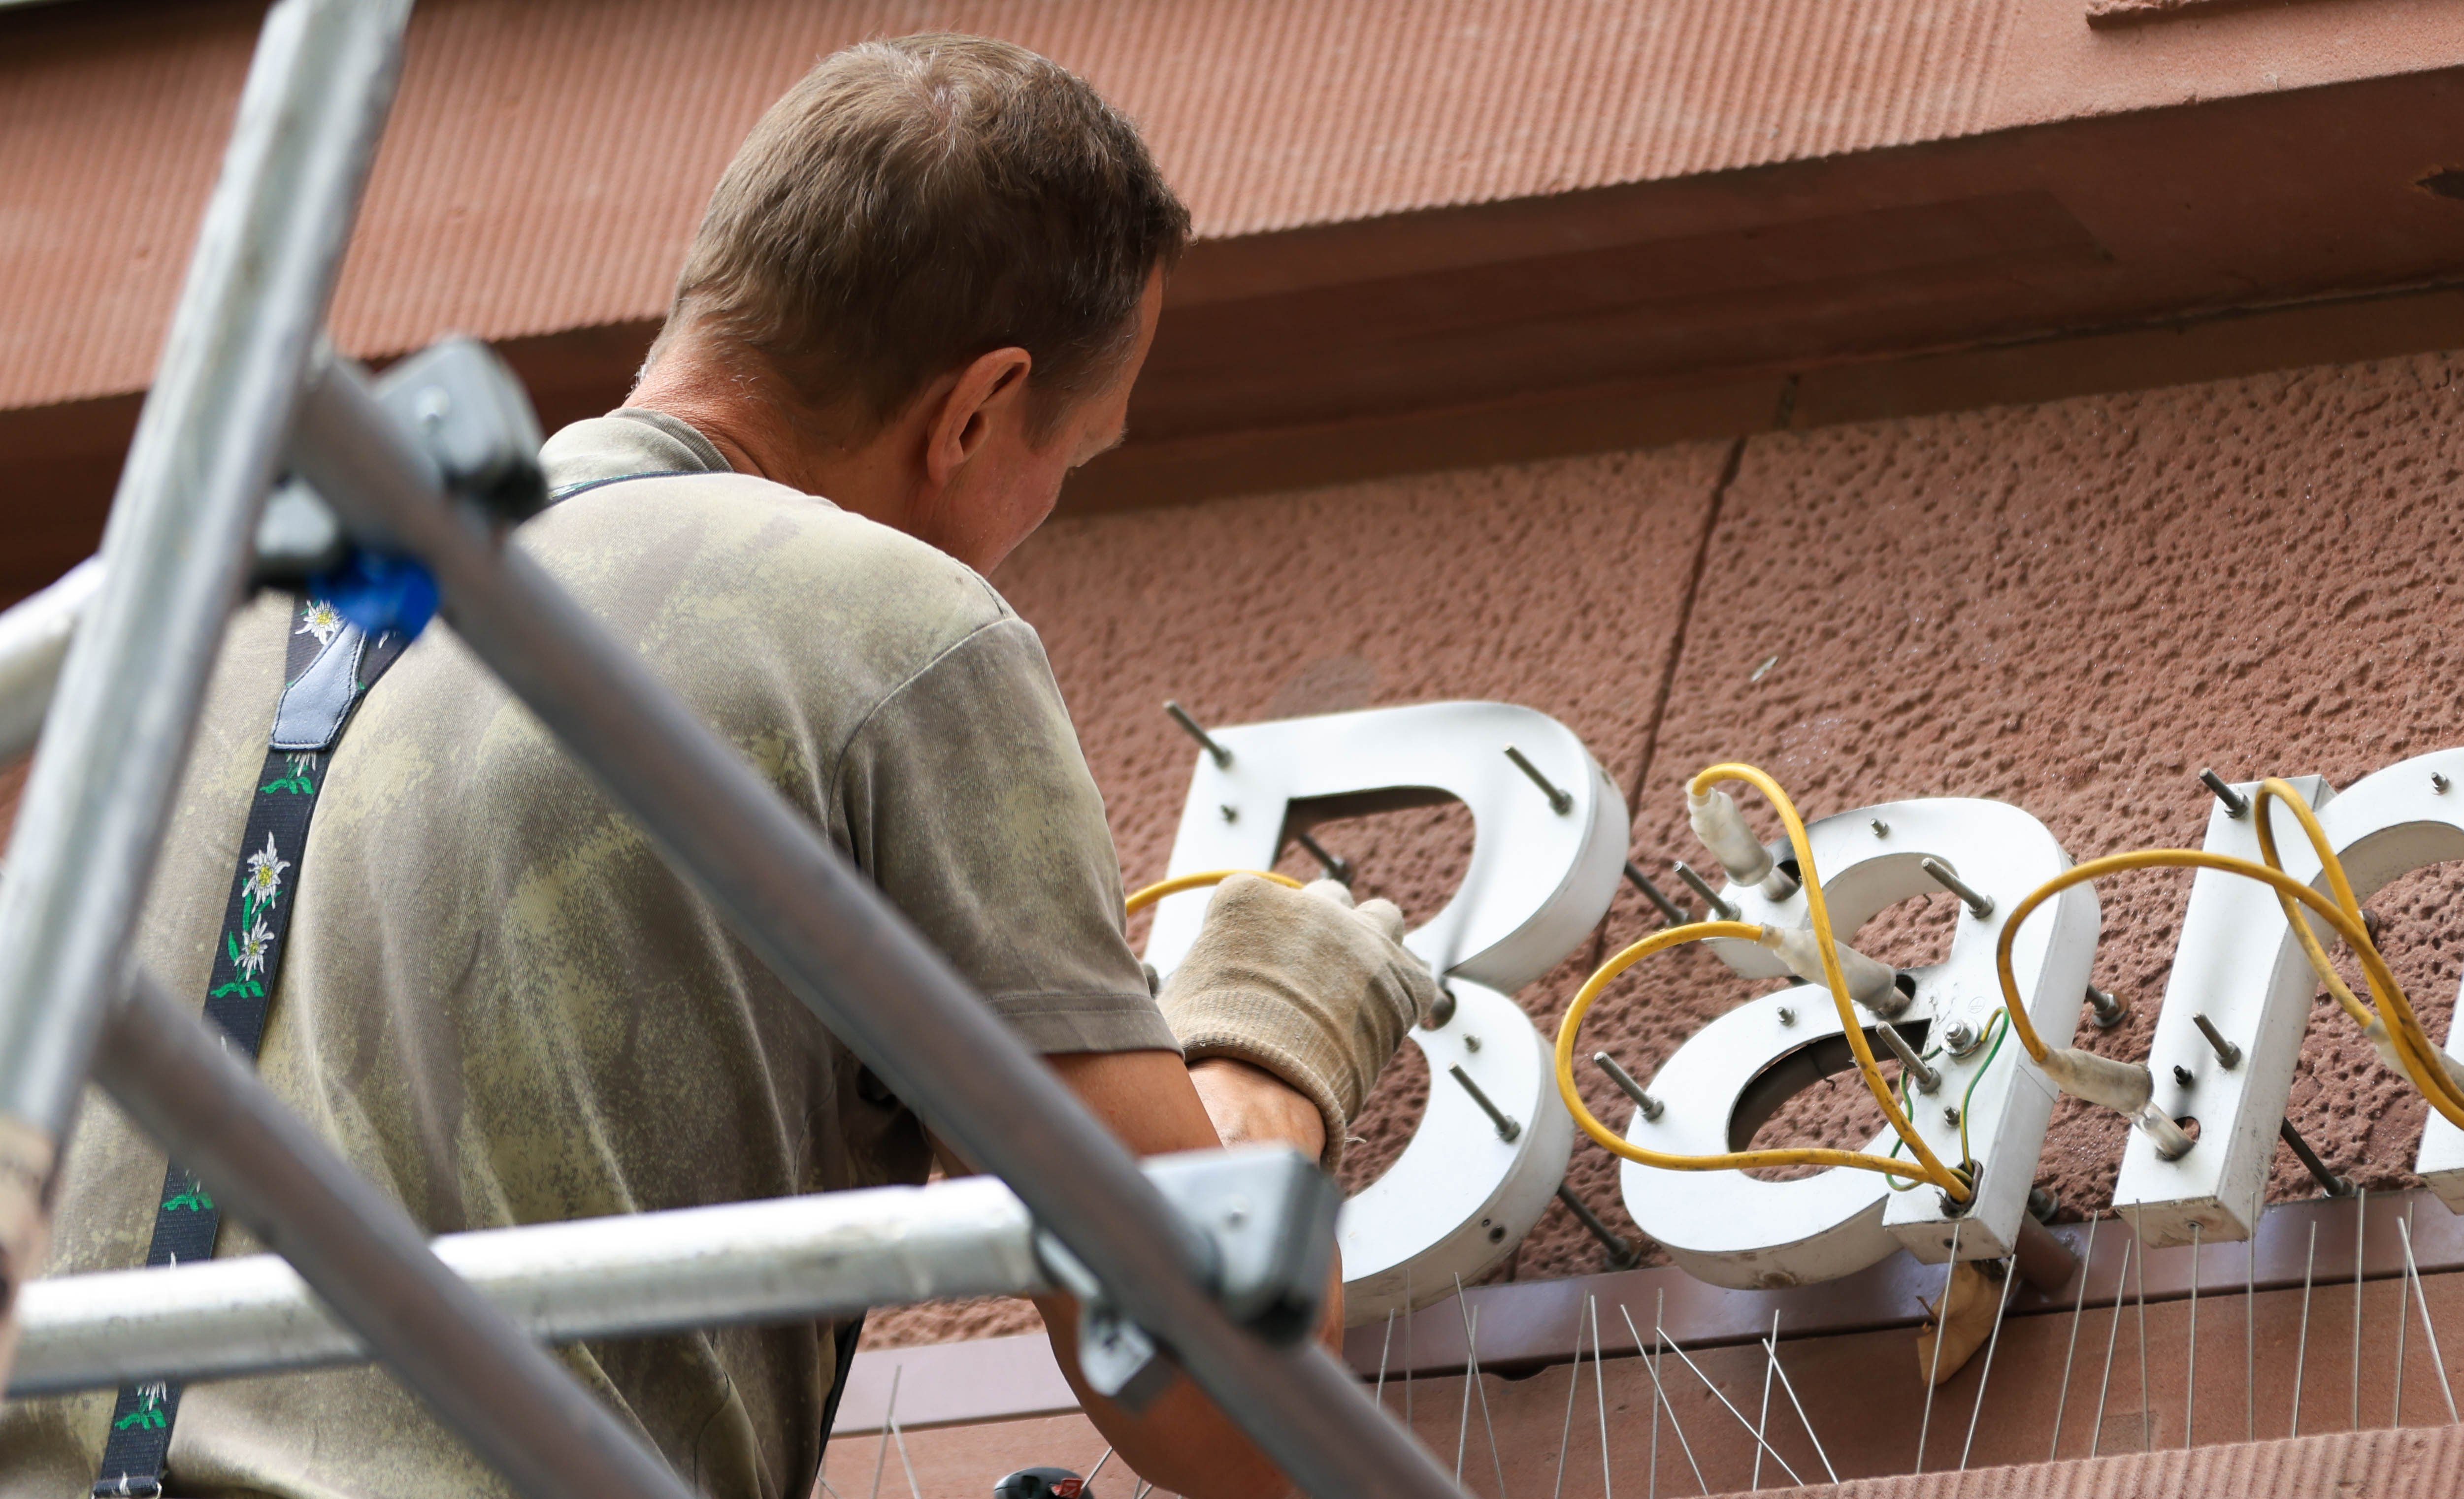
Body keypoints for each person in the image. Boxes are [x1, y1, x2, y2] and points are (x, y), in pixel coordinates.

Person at [0, 34, 1425, 1499]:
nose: (1044, 505)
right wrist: (1275, 1038)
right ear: (979, 408)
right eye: (1074, 455)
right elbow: (1222, 1395)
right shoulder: (886, 624)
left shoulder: (210, 633)